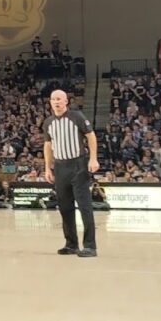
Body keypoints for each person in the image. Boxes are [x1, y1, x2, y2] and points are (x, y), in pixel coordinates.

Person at [43, 90, 99, 257]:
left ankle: (90, 246)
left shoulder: (77, 117)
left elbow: (91, 135)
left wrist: (93, 158)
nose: (56, 102)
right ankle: (71, 243)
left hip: (78, 165)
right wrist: (47, 167)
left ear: (66, 101)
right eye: (53, 99)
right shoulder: (48, 122)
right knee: (65, 207)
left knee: (84, 206)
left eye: (59, 99)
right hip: (60, 167)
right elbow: (47, 144)